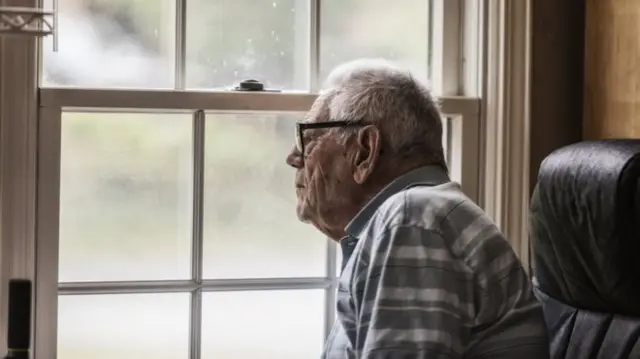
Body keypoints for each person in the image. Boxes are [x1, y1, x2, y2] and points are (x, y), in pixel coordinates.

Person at [285, 59, 549, 359]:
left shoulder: (413, 220)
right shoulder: (416, 219)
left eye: (307, 138)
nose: (293, 157)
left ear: (365, 151)